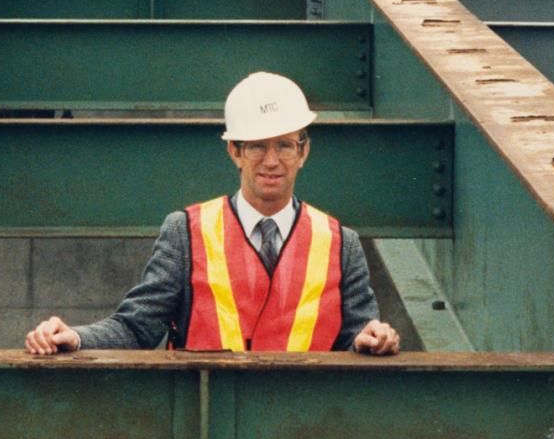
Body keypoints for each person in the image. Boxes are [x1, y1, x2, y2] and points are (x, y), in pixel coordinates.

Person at [24, 71, 401, 355]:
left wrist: (375, 338)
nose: (272, 161)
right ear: (234, 152)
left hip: (305, 432)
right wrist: (76, 336)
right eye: (256, 146)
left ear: (303, 152)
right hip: (207, 424)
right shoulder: (187, 232)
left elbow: (358, 335)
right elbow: (138, 328)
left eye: (285, 146)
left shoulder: (340, 243)